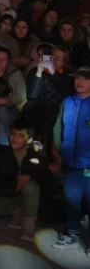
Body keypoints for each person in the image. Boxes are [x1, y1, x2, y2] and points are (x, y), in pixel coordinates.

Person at [0, 121, 48, 241]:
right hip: (10, 193)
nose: (15, 138)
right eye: (13, 134)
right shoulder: (0, 156)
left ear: (29, 139)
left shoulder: (36, 155)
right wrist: (14, 187)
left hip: (30, 193)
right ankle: (19, 209)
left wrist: (29, 175)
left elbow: (45, 174)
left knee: (30, 186)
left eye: (21, 135)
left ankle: (28, 229)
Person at [51, 67, 90, 252]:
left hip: (88, 165)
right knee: (72, 200)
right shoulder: (68, 102)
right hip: (70, 163)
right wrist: (58, 152)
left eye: (84, 79)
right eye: (77, 78)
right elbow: (59, 128)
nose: (79, 82)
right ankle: (72, 233)